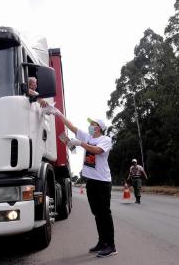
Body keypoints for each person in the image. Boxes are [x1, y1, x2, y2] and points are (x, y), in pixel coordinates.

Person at [51, 108, 117, 258]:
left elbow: (97, 150)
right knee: (97, 214)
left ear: (99, 127)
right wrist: (58, 113)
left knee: (105, 213)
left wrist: (81, 143)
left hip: (102, 182)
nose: (90, 126)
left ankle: (111, 245)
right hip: (91, 182)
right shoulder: (87, 136)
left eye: (93, 124)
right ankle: (102, 242)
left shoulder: (105, 140)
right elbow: (72, 126)